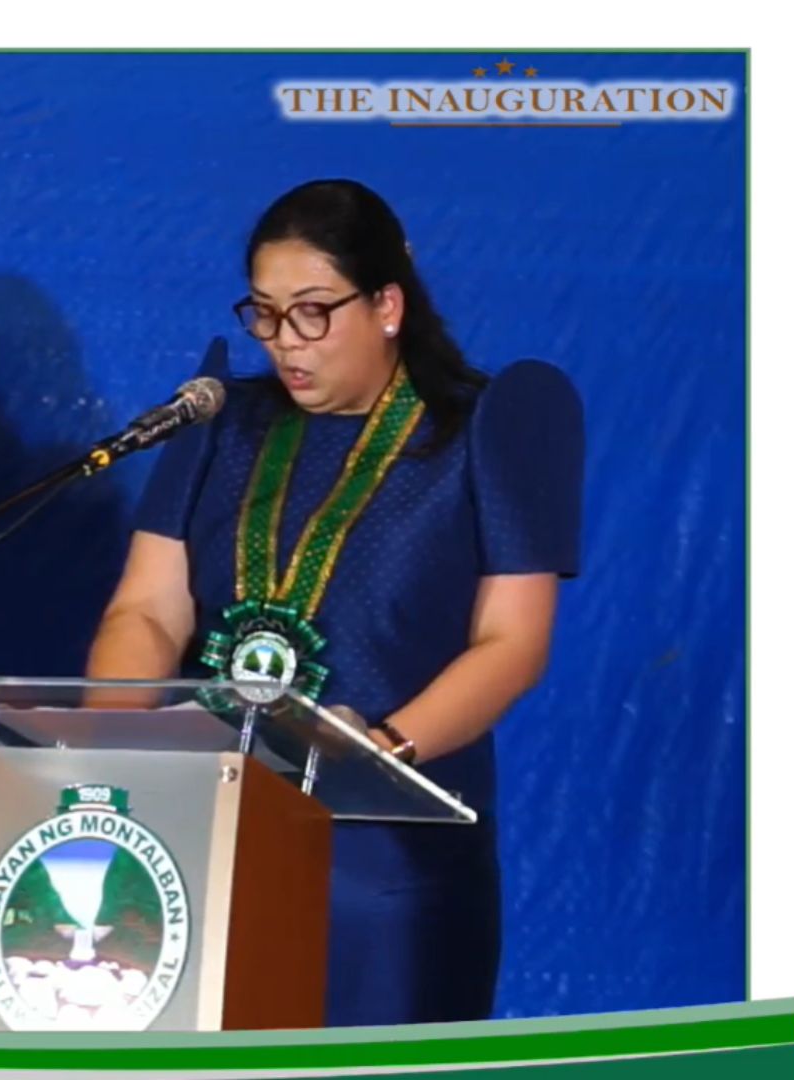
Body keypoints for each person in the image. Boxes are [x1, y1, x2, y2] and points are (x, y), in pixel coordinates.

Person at [85, 178, 583, 1025]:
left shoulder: (479, 430)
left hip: (386, 858)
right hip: (203, 839)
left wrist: (381, 748)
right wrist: (107, 750)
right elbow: (148, 608)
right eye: (266, 314)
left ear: (387, 304)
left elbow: (513, 641)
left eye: (314, 311)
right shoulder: (218, 421)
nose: (286, 342)